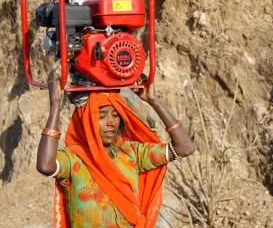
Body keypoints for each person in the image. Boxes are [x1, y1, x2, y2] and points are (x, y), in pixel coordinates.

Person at [36, 77, 195, 228]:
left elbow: (185, 148)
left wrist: (153, 101)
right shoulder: (74, 159)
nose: (111, 122)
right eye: (102, 115)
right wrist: (55, 106)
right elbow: (45, 165)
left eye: (115, 115)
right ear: (86, 120)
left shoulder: (132, 153)